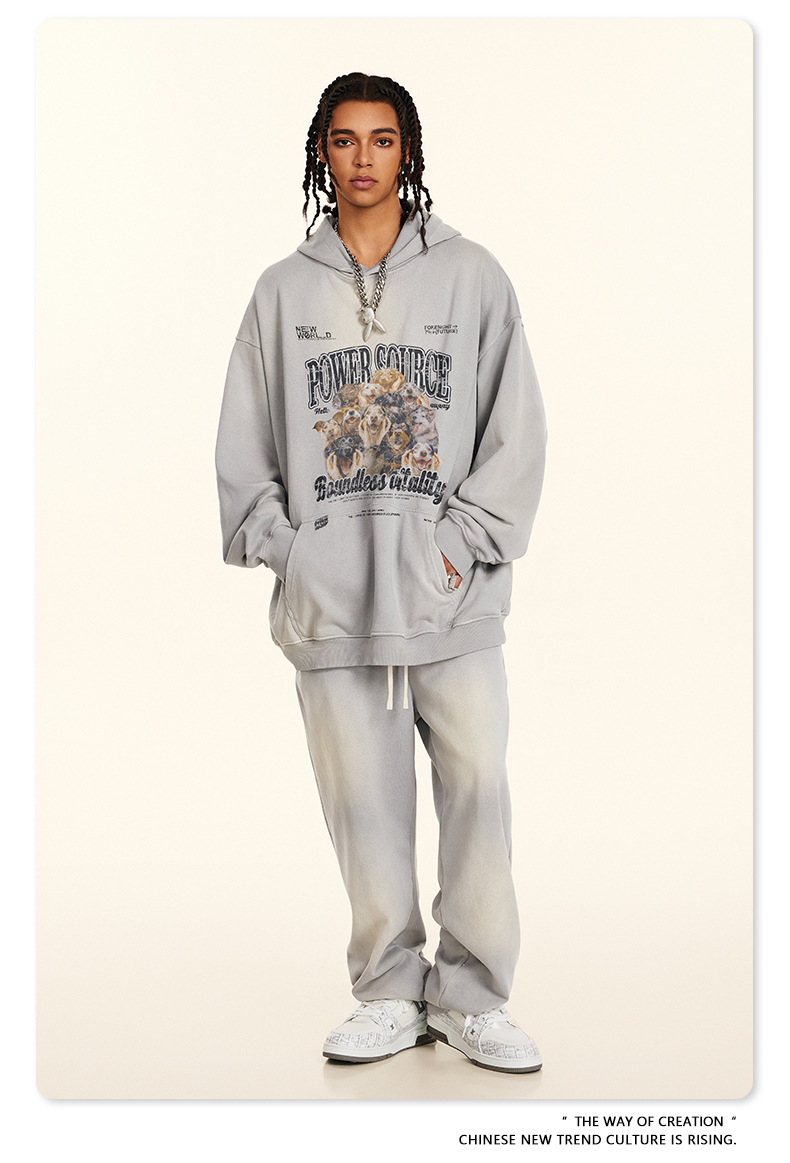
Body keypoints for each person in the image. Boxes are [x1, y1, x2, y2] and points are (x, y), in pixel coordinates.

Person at [215, 72, 547, 1074]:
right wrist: (295, 552)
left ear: (409, 152)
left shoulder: (473, 276)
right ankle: (390, 991)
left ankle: (474, 995)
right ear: (322, 151)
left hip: (452, 597)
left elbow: (516, 432)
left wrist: (458, 543)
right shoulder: (281, 292)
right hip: (334, 606)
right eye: (346, 139)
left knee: (478, 783)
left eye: (383, 139)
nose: (364, 158)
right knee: (360, 805)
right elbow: (243, 453)